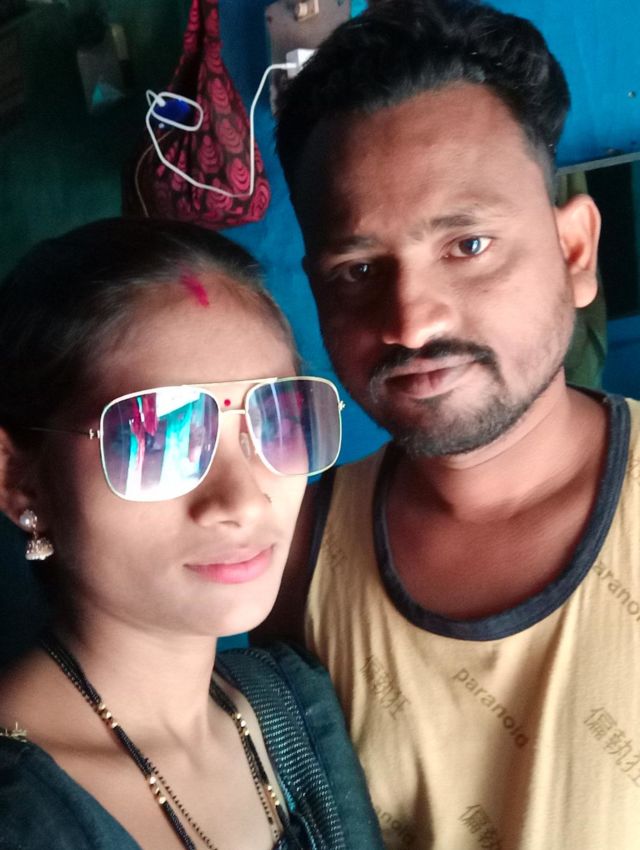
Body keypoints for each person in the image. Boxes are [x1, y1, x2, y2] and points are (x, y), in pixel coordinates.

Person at [257, 1, 640, 848]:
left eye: (468, 245)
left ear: (575, 252)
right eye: (359, 269)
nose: (411, 321)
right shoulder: (290, 557)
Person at [0, 218, 384, 850]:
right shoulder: (20, 815)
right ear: (21, 481)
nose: (242, 501)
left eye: (275, 422)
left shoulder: (293, 704)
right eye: (158, 437)